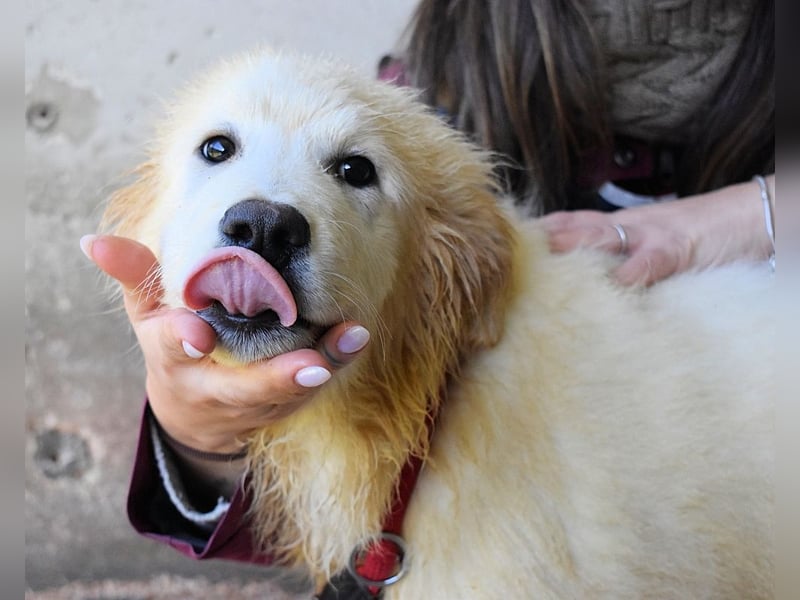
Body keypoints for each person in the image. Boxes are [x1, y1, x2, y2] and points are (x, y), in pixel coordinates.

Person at [80, 0, 774, 574]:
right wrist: (201, 436)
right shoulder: (447, 61)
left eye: (353, 171)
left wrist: (757, 212)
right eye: (217, 149)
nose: (265, 214)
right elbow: (320, 506)